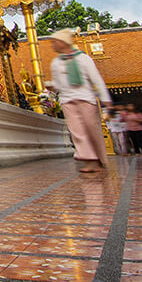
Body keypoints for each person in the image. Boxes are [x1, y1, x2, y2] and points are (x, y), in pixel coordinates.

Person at [44, 28, 112, 173]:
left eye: (55, 42)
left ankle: (101, 158)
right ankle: (90, 161)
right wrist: (51, 86)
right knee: (78, 132)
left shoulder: (83, 59)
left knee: (92, 129)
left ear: (63, 42)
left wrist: (106, 100)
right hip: (68, 100)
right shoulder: (56, 63)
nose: (52, 45)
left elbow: (96, 80)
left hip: (86, 98)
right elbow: (58, 84)